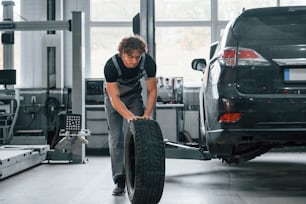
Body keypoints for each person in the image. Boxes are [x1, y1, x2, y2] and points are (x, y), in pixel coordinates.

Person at [103, 35, 157, 196]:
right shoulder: (111, 66)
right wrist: (128, 116)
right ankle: (119, 179)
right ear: (122, 54)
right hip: (114, 98)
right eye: (130, 57)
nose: (134, 61)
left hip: (134, 96)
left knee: (139, 133)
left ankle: (138, 174)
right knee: (116, 136)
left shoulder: (147, 62)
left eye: (137, 57)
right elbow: (114, 98)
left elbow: (152, 90)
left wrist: (147, 114)